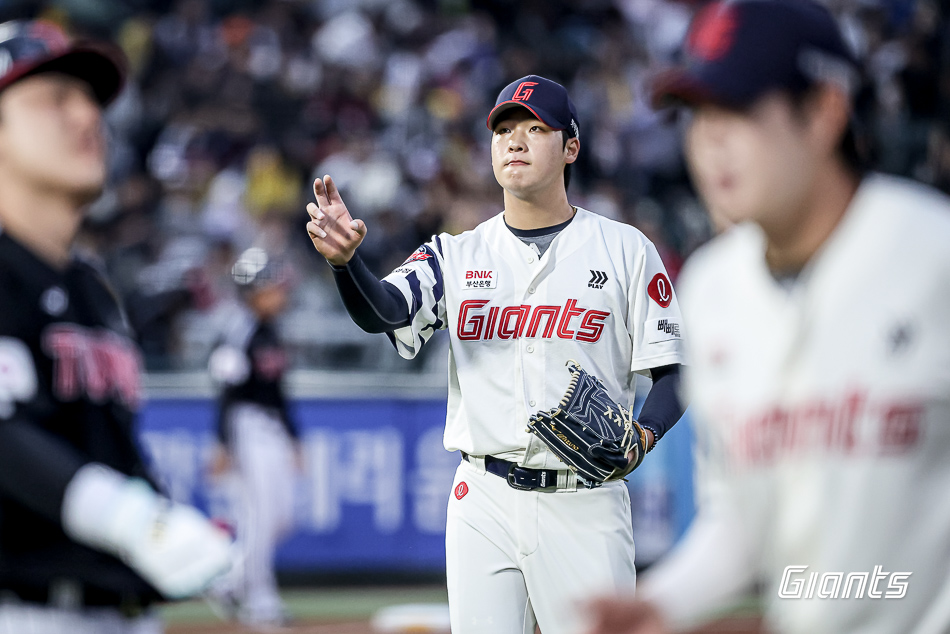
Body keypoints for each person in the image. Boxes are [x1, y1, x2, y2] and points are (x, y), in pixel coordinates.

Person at [585, 1, 950, 633]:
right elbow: (740, 522)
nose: (710, 141)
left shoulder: (932, 257)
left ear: (824, 111)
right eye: (698, 115)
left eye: (740, 110)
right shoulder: (711, 290)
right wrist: (660, 601)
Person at [304, 74, 687, 634]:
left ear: (571, 147)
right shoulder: (456, 254)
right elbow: (385, 311)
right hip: (482, 496)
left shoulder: (625, 249)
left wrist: (644, 436)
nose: (516, 141)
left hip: (584, 499)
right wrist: (346, 264)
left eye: (537, 129)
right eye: (504, 129)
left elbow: (674, 374)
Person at [0, 19, 232, 634]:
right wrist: (134, 521)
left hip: (120, 610)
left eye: (91, 100)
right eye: (54, 99)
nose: (87, 117)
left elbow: (102, 444)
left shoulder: (92, 289)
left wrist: (161, 515)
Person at [207, 247, 299, 628]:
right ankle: (260, 599)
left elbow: (280, 392)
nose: (280, 291)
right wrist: (224, 444)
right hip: (245, 426)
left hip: (271, 427)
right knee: (259, 515)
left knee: (282, 516)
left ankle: (229, 581)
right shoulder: (238, 330)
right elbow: (226, 393)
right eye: (271, 285)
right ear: (254, 290)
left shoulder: (271, 330)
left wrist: (296, 438)